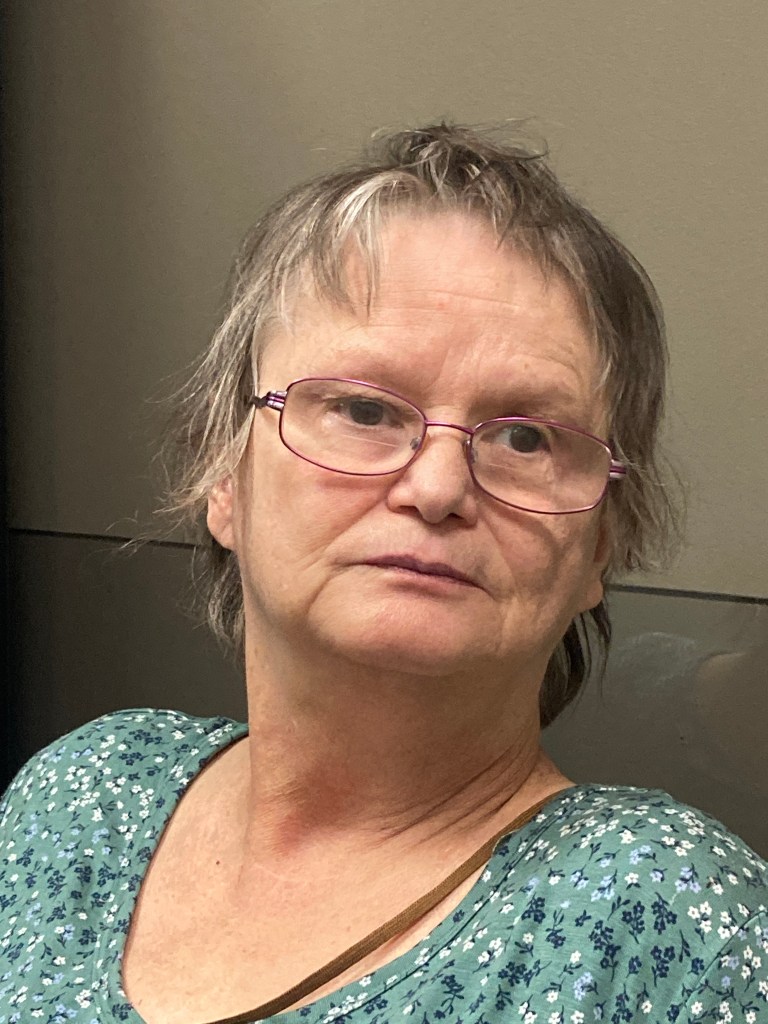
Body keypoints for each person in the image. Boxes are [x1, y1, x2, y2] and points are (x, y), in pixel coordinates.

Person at [1, 124, 766, 1024]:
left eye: (527, 437)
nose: (438, 487)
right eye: (363, 408)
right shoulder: (83, 794)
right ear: (222, 476)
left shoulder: (675, 924)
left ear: (600, 547)